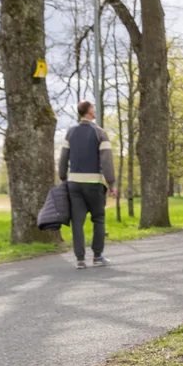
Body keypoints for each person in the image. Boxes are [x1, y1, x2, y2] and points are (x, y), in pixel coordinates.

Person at [58, 100, 117, 269]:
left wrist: (63, 178)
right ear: (89, 111)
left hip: (74, 184)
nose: (95, 110)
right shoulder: (100, 133)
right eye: (93, 108)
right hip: (93, 183)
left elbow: (63, 158)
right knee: (98, 218)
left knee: (77, 222)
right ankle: (97, 256)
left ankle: (80, 259)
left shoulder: (70, 132)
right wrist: (111, 183)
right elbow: (106, 161)